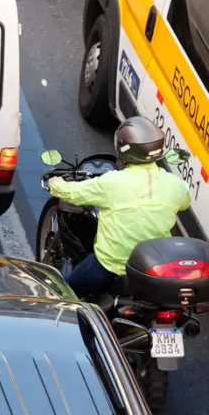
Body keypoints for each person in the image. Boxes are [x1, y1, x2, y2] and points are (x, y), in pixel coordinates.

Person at [49, 116, 191, 299]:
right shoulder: (175, 185)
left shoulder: (113, 182)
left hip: (110, 266)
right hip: (153, 268)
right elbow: (184, 201)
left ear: (124, 150)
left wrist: (56, 184)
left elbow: (76, 193)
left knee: (63, 295)